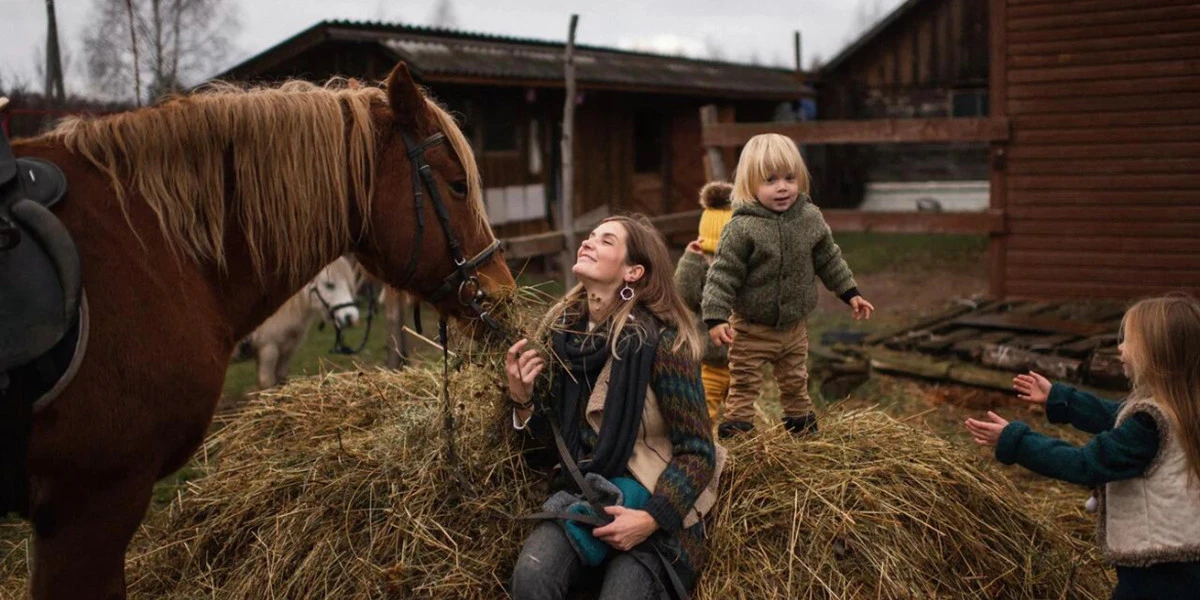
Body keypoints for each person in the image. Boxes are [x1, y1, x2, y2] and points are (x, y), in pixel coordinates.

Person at [505, 214, 722, 600]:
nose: (588, 242)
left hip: (653, 502)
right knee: (532, 578)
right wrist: (522, 400)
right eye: (589, 236)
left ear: (633, 272)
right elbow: (551, 448)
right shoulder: (562, 337)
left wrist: (652, 518)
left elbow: (698, 451)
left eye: (606, 241)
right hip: (586, 498)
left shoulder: (661, 343)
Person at [965, 294, 1200, 600]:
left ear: (1157, 354)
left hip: (1158, 571)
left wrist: (1015, 440)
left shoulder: (1150, 423)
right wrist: (1062, 400)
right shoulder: (1182, 409)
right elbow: (1116, 418)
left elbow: (1084, 463)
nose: (1120, 348)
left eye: (1128, 341)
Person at [701, 133, 874, 439]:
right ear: (750, 185)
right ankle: (737, 438)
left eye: (789, 178)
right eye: (770, 180)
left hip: (793, 328)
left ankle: (803, 434)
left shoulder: (809, 218)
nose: (782, 187)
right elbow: (722, 274)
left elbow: (829, 259)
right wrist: (715, 317)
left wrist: (851, 293)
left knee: (795, 381)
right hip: (751, 328)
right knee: (743, 385)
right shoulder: (741, 228)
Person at [675, 181, 734, 424]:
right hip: (709, 360)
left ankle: (739, 444)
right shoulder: (699, 265)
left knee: (740, 411)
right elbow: (684, 296)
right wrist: (690, 259)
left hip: (743, 361)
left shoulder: (746, 267)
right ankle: (706, 444)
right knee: (705, 411)